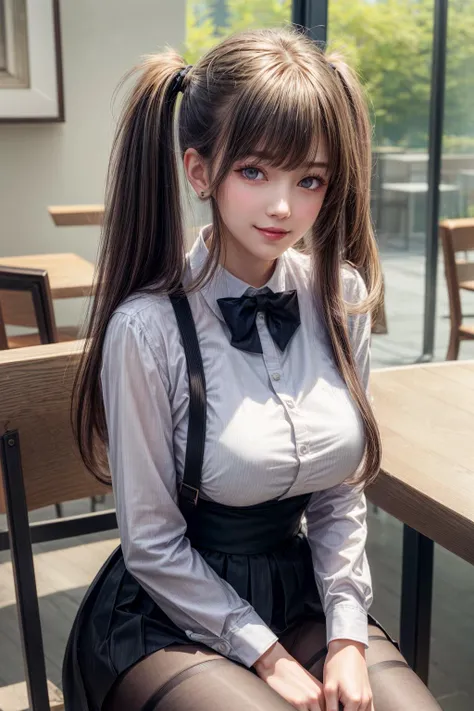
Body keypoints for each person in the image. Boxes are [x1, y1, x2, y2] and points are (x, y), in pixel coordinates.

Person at [63, 26, 442, 711]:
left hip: (296, 590)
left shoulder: (340, 296)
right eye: (255, 171)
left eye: (310, 179)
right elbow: (150, 544)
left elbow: (335, 497)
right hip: (163, 611)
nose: (283, 206)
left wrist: (350, 636)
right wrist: (262, 652)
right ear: (201, 170)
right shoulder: (147, 330)